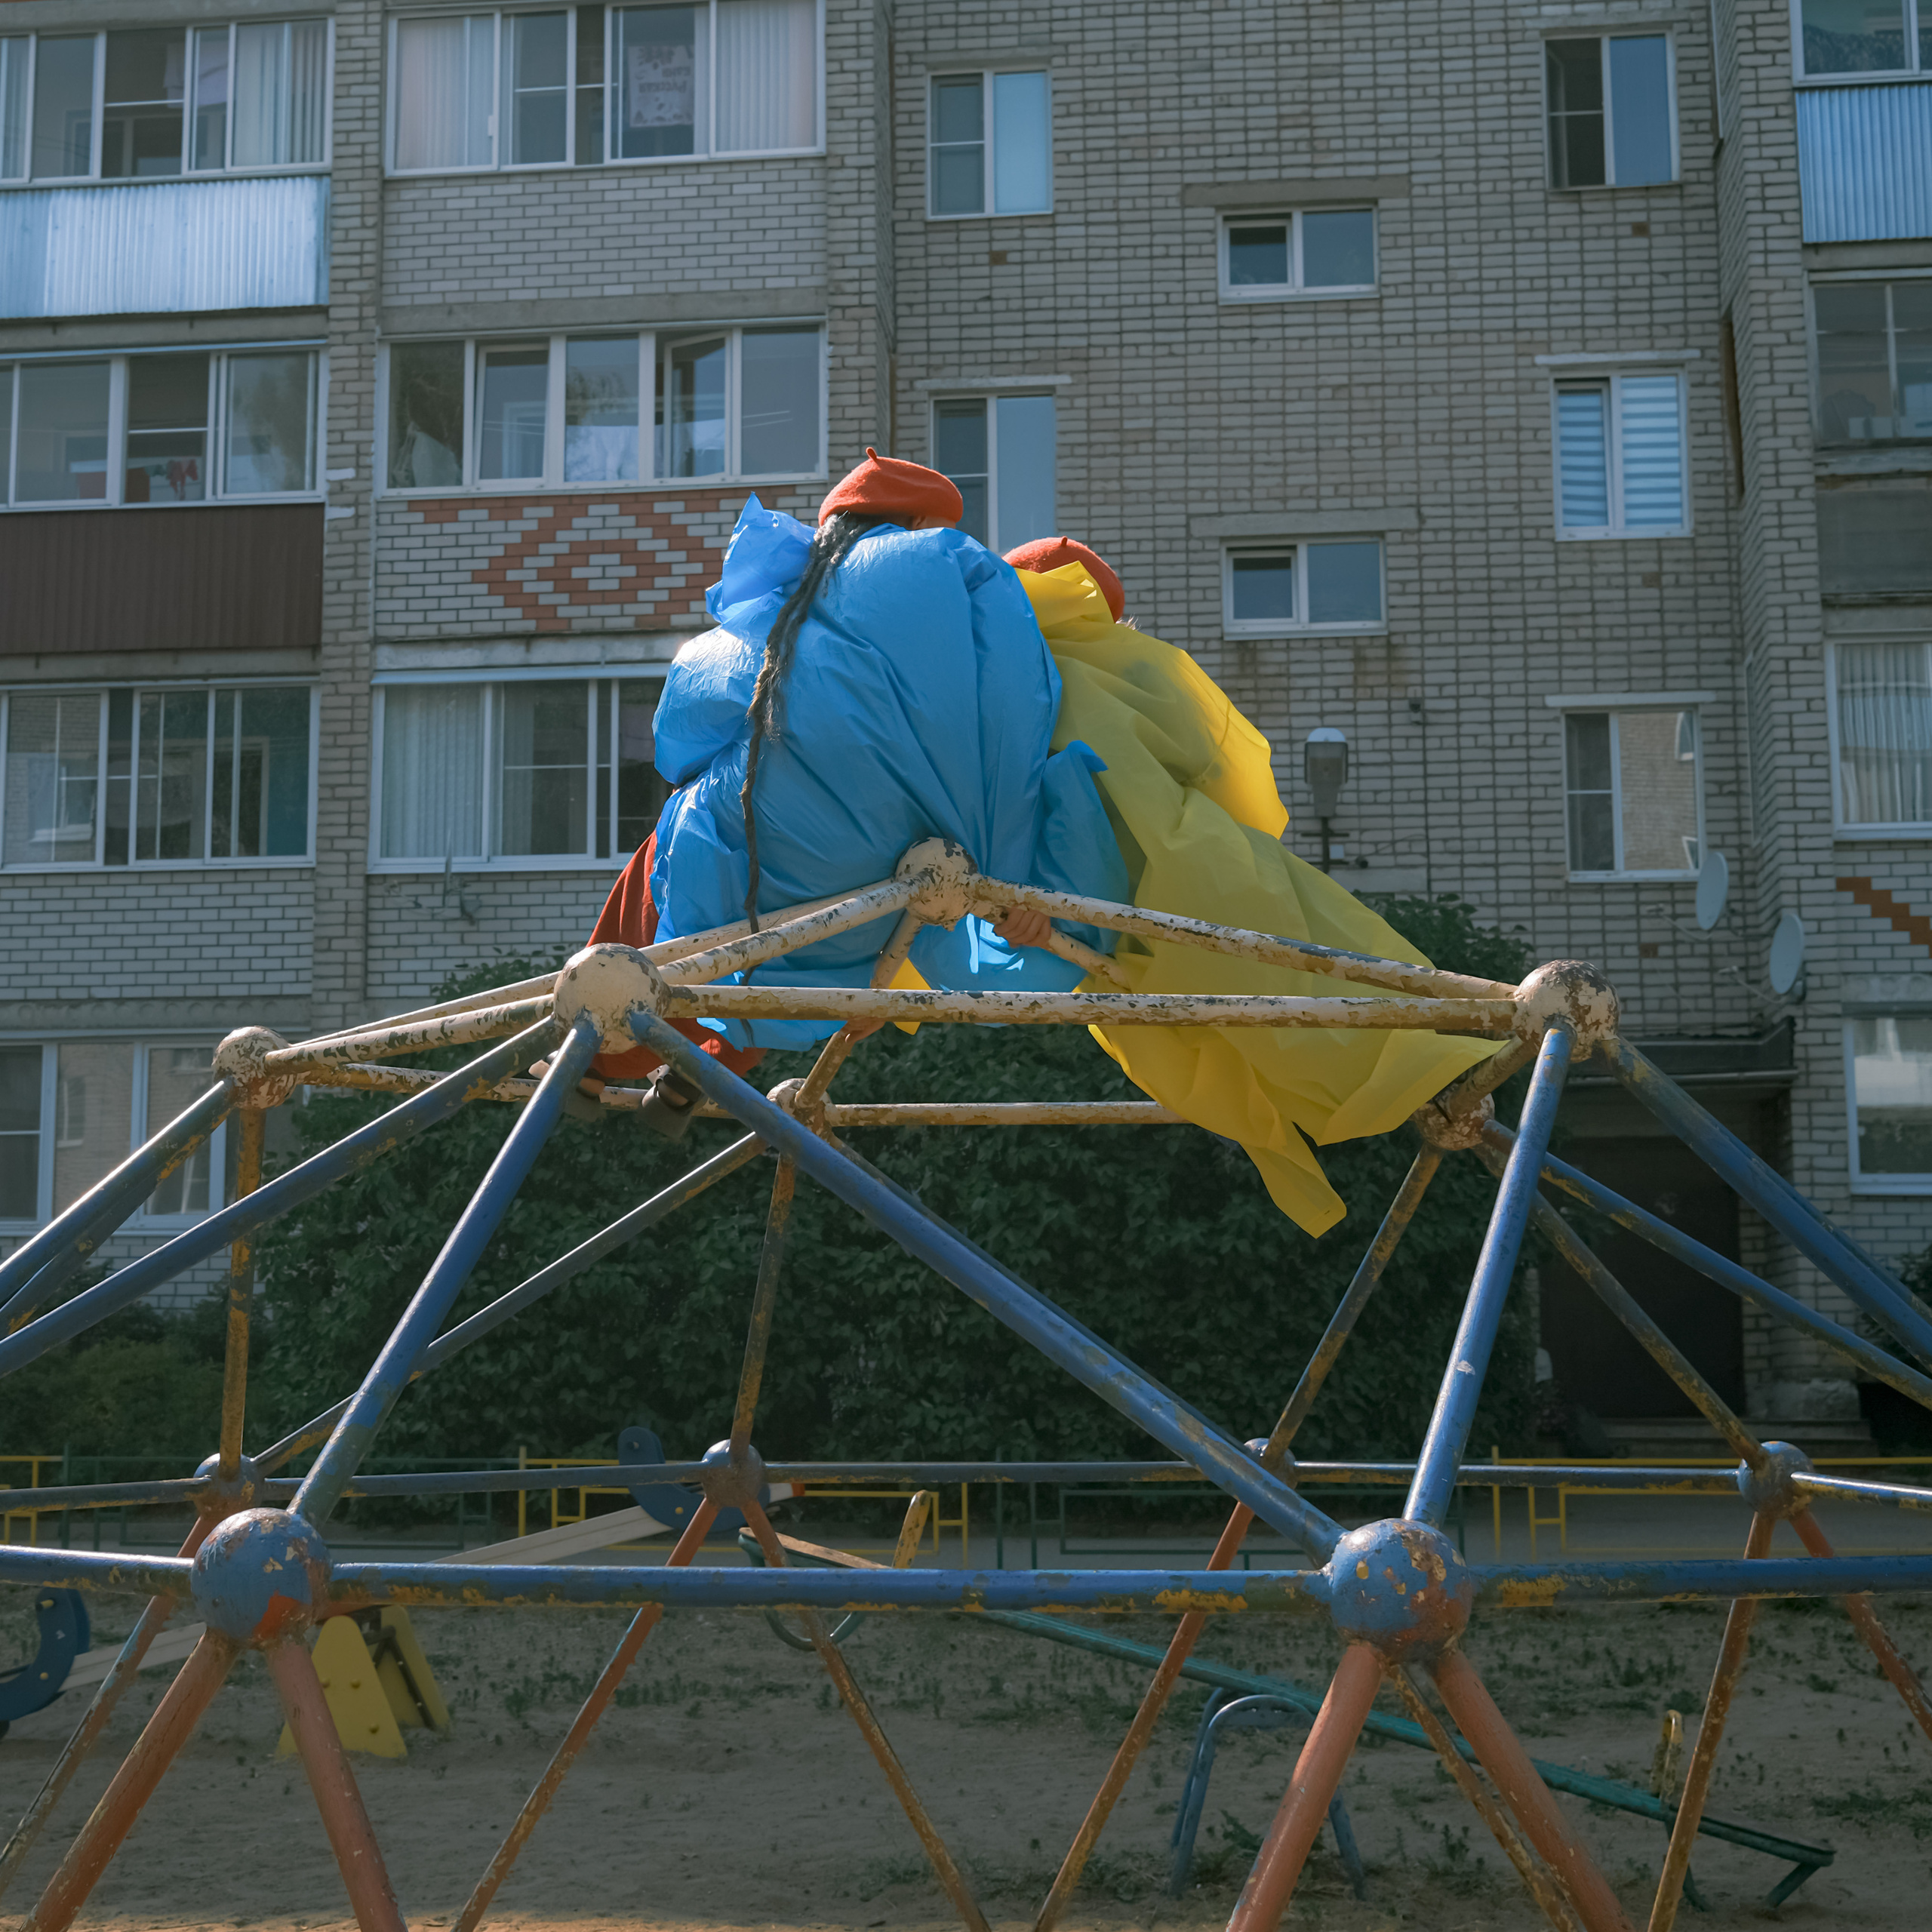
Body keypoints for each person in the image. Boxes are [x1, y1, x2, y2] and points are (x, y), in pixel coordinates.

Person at [569, 452, 1113, 1134]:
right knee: (841, 942)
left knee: (691, 849)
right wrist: (1008, 889)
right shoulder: (985, 604)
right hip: (877, 899)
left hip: (748, 863)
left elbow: (683, 723)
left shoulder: (792, 597)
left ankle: (584, 1058)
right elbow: (1014, 755)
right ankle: (690, 1075)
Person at [1001, 536, 1498, 1233]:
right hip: (1194, 862)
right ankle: (1435, 1059)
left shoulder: (1002, 683)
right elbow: (1214, 758)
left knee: (1207, 1037)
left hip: (1101, 905)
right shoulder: (1133, 665)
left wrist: (1022, 903)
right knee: (1299, 976)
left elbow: (1003, 811)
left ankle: (1425, 1067)